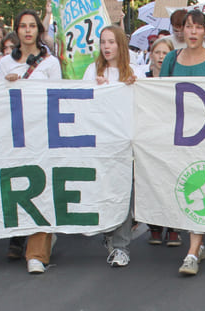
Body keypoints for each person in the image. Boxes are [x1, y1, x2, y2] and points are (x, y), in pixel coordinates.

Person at [157, 11, 205, 275]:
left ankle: (192, 252)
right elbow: (160, 93)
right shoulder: (171, 59)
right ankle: (196, 245)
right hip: (179, 136)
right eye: (189, 27)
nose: (193, 32)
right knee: (185, 186)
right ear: (183, 30)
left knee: (198, 182)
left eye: (198, 27)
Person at [0, 11, 64, 274]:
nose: (27, 31)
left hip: (43, 133)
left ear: (39, 30)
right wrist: (8, 85)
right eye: (22, 26)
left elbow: (58, 97)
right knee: (20, 188)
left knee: (42, 188)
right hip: (15, 133)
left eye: (32, 26)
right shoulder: (5, 62)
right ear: (16, 30)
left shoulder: (50, 63)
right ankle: (34, 236)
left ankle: (36, 253)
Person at [84, 25, 141, 269]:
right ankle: (109, 232)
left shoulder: (136, 72)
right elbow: (82, 105)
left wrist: (135, 86)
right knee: (104, 192)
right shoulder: (92, 71)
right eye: (102, 42)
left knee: (123, 194)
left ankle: (120, 247)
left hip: (125, 143)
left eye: (111, 42)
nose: (106, 47)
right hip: (100, 143)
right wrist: (94, 90)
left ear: (120, 45)